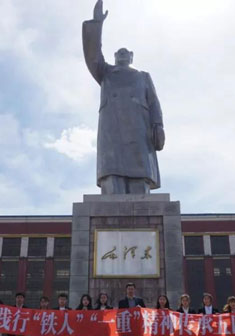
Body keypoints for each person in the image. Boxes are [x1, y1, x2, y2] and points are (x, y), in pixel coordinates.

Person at [82, 0, 165, 194]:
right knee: (112, 177)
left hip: (139, 129)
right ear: (114, 56)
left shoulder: (143, 76)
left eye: (125, 52)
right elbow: (93, 56)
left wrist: (158, 125)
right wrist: (96, 24)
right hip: (112, 129)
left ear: (132, 56)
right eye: (119, 53)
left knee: (139, 178)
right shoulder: (105, 72)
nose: (122, 54)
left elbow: (154, 103)